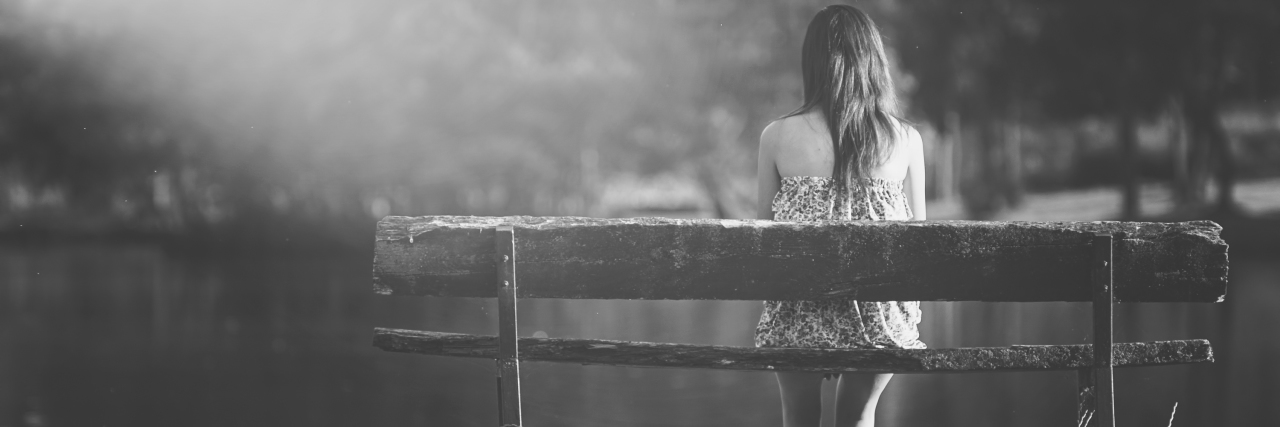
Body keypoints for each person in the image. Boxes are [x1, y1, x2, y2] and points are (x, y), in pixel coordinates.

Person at [754, 5, 926, 427]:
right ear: (873, 60)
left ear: (812, 62)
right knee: (859, 417)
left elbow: (761, 241)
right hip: (879, 325)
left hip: (797, 319)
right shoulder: (905, 140)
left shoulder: (776, 137)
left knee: (798, 417)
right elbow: (923, 243)